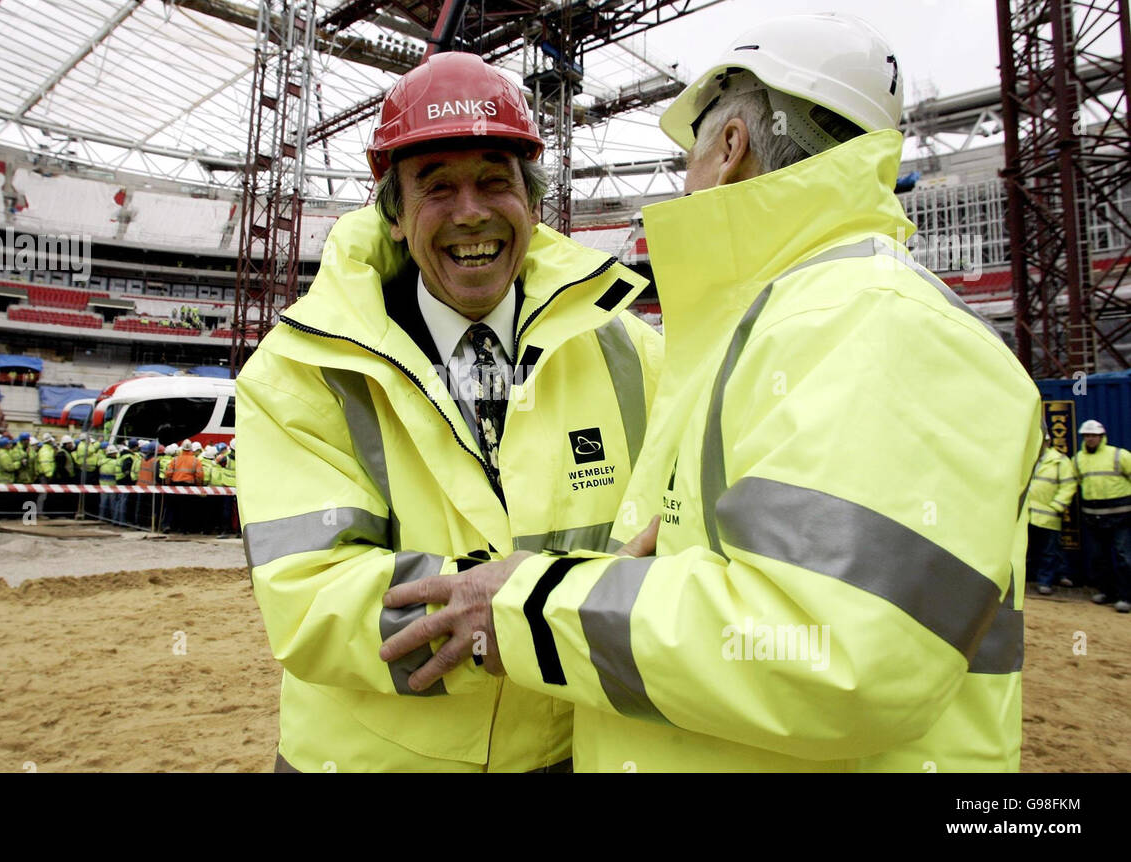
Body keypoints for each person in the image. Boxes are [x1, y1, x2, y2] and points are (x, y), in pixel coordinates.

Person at [379, 15, 1041, 772]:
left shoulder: (872, 322)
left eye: (686, 150)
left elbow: (832, 656)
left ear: (728, 149)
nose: (680, 178)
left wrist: (532, 604)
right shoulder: (773, 329)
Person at [236, 51, 663, 772]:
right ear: (396, 217)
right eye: (436, 188)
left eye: (495, 182)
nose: (471, 213)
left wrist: (520, 608)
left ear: (531, 204)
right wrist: (474, 619)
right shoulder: (300, 370)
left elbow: (665, 542)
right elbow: (306, 598)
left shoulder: (629, 351)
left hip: (568, 752)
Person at [1073, 419, 1131, 612]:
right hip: (1093, 517)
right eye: (1087, 436)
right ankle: (1107, 592)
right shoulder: (1078, 459)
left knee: (1123, 557)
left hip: (1121, 517)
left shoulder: (1118, 455)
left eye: (1094, 436)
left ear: (1101, 437)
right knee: (1099, 557)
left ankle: (1126, 597)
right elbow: (1079, 483)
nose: (1090, 439)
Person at [1026, 430, 1077, 595]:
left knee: (1048, 551)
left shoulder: (1059, 461)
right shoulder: (1026, 459)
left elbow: (1068, 485)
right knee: (1026, 549)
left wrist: (1057, 506)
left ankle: (1045, 582)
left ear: (1048, 443)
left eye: (1043, 442)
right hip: (1026, 514)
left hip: (1048, 515)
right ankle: (1028, 579)